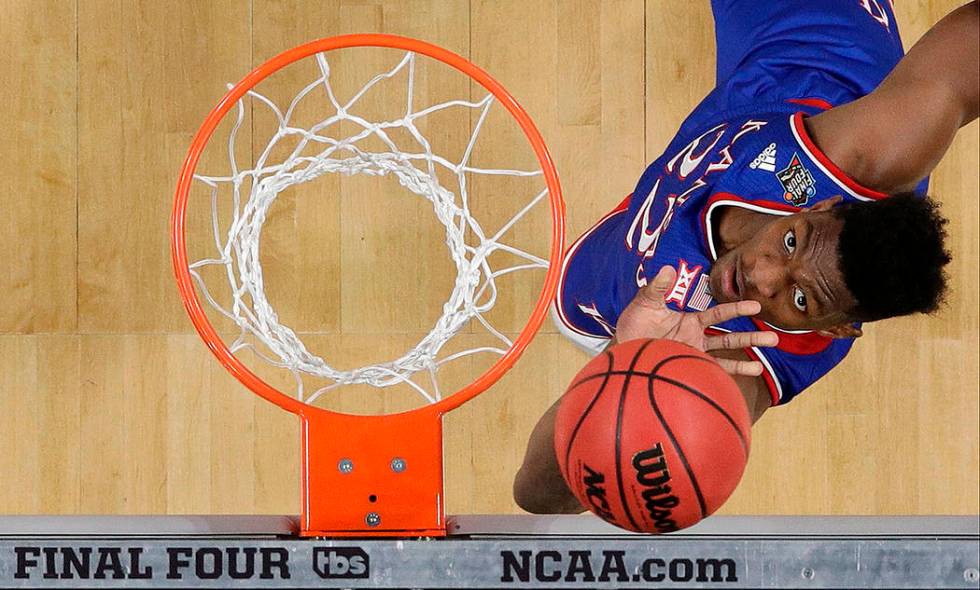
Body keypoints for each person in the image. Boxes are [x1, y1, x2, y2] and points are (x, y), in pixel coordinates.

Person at [514, 0, 979, 514]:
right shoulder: (873, 146)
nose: (760, 276)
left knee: (580, 298)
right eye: (791, 243)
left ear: (837, 328)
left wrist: (630, 366)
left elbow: (536, 493)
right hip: (807, 47)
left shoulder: (739, 364)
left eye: (801, 299)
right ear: (822, 204)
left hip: (641, 277)